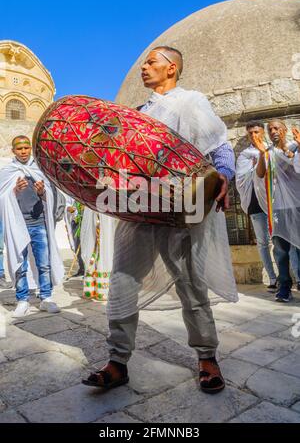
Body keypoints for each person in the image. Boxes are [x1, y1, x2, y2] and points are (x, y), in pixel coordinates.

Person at [82, 46, 238, 394]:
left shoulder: (190, 102)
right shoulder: (138, 113)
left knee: (190, 284)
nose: (144, 67)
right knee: (122, 281)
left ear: (172, 68)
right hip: (139, 206)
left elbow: (219, 143)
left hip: (178, 207)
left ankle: (207, 356)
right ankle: (117, 361)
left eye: (151, 62)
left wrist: (224, 172)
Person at [0, 135, 64, 317]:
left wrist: (42, 191)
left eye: (26, 148)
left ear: (31, 149)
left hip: (39, 223)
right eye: (19, 149)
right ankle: (22, 300)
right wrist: (14, 191)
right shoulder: (7, 172)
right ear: (13, 151)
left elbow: (50, 196)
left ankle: (46, 298)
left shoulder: (40, 169)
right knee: (21, 265)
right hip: (17, 224)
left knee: (44, 263)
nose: (23, 151)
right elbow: (1, 198)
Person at [253, 120, 300, 302]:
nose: (273, 131)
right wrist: (261, 153)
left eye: (276, 128)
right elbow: (259, 174)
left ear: (285, 130)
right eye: (270, 129)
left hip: (297, 205)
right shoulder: (268, 153)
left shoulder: (295, 147)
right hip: (279, 207)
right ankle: (285, 287)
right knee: (281, 250)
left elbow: (295, 166)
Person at [236, 121, 277, 289]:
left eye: (257, 132)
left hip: (274, 202)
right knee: (262, 242)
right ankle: (273, 278)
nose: (254, 136)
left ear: (263, 133)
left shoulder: (273, 150)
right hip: (254, 203)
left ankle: (292, 275)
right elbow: (240, 178)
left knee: (282, 240)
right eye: (250, 133)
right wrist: (254, 170)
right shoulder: (244, 155)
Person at [80, 208, 115, 301]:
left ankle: (103, 290)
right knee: (91, 250)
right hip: (92, 211)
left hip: (107, 215)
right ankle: (90, 289)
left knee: (106, 250)